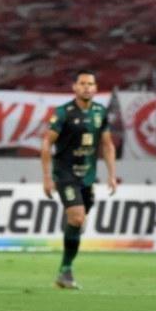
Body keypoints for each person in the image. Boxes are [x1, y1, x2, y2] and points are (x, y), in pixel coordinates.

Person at [41, 68, 118, 290]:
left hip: (88, 176)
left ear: (95, 88)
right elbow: (47, 143)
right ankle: (65, 270)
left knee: (78, 219)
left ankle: (71, 224)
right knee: (77, 218)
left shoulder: (100, 112)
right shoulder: (63, 113)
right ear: (75, 87)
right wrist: (47, 178)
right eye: (82, 83)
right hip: (65, 173)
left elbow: (107, 145)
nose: (86, 87)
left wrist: (112, 175)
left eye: (90, 84)